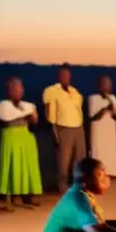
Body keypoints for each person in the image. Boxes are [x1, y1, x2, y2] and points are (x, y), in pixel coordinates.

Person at [0, 77, 43, 207]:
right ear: (9, 90)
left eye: (21, 88)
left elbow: (34, 119)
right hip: (12, 136)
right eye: (16, 88)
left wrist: (28, 115)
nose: (19, 90)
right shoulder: (3, 104)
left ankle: (28, 195)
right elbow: (7, 116)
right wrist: (26, 114)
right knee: (14, 167)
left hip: (26, 136)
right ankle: (15, 197)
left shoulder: (26, 104)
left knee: (28, 167)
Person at [42, 64, 86, 193]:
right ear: (58, 76)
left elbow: (78, 110)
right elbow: (49, 111)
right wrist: (54, 130)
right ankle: (63, 189)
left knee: (79, 160)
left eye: (67, 74)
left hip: (78, 128)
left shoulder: (74, 92)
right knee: (63, 162)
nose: (65, 77)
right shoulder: (51, 91)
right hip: (63, 128)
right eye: (62, 74)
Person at [88, 75, 116, 178]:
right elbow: (93, 117)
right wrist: (105, 108)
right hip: (99, 131)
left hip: (110, 129)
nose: (107, 86)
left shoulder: (113, 98)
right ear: (99, 86)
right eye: (105, 84)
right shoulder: (93, 98)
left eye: (109, 84)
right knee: (99, 152)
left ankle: (111, 172)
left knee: (110, 152)